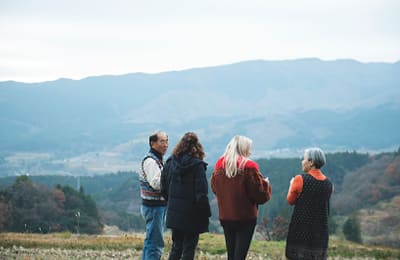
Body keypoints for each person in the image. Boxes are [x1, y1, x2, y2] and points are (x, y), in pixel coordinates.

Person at [211, 135, 272, 260]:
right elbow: (261, 196)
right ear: (243, 149)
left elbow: (214, 188)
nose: (250, 152)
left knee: (231, 254)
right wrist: (266, 184)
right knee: (240, 255)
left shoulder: (219, 167)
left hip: (226, 216)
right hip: (245, 217)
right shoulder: (249, 167)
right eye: (248, 148)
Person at [161, 132, 211, 260]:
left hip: (174, 213)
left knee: (176, 247)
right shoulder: (198, 165)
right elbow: (201, 193)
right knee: (189, 248)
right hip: (192, 214)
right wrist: (205, 212)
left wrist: (171, 202)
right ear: (197, 146)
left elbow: (163, 187)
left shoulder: (170, 162)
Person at [285, 147, 334, 260]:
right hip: (320, 231)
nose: (302, 161)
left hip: (301, 230)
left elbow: (290, 201)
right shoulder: (329, 184)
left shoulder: (299, 179)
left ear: (311, 162)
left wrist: (291, 184)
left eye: (304, 159)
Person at [140, 131, 169, 260]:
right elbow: (156, 183)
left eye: (166, 141)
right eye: (162, 141)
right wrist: (170, 178)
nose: (165, 145)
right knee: (155, 243)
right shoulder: (151, 161)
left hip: (156, 206)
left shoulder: (158, 159)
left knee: (150, 241)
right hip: (154, 207)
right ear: (153, 143)